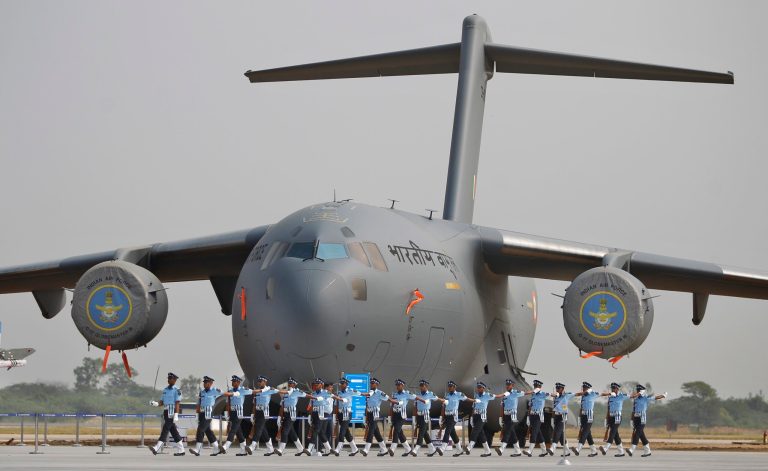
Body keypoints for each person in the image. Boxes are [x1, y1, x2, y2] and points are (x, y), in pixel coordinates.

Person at [455, 382, 504, 457]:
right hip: (476, 416)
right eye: (478, 387)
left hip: (482, 417)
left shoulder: (487, 395)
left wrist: (505, 394)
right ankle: (487, 451)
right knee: (482, 435)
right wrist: (471, 417)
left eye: (480, 387)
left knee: (475, 431)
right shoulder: (476, 395)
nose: (478, 389)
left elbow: (497, 396)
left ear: (483, 388)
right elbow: (473, 407)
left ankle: (469, 447)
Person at [190, 376, 236, 456]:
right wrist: (197, 414)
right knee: (208, 432)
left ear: (211, 383)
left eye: (207, 383)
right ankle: (216, 448)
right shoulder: (202, 392)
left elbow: (225, 393)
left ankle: (197, 449)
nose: (205, 384)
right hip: (201, 413)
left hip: (208, 414)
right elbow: (199, 403)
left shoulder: (215, 390)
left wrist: (234, 394)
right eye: (204, 383)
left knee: (200, 430)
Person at [148, 372, 185, 456]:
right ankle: (181, 450)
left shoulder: (177, 390)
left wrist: (176, 414)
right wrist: (155, 404)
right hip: (166, 411)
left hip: (172, 411)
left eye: (171, 378)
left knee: (165, 428)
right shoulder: (165, 390)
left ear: (175, 380)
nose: (169, 380)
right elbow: (161, 402)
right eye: (168, 378)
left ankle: (157, 447)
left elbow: (177, 403)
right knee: (173, 431)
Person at [271, 377, 308, 456]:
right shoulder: (285, 393)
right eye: (289, 383)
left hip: (292, 414)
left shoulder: (296, 392)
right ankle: (301, 449)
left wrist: (316, 398)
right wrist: (280, 417)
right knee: (292, 432)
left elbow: (307, 395)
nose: (290, 385)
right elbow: (282, 405)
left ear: (295, 385)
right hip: (286, 413)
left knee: (285, 431)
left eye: (291, 383)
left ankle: (281, 449)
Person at [628, 384, 667, 457]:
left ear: (642, 391)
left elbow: (655, 398)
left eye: (639, 391)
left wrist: (663, 395)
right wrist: (631, 420)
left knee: (637, 434)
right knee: (641, 436)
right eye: (637, 390)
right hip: (636, 418)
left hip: (642, 418)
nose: (637, 392)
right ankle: (647, 451)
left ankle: (632, 449)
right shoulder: (635, 399)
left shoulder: (645, 398)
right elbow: (633, 410)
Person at [245, 375, 280, 455]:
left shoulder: (269, 389)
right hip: (258, 412)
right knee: (263, 431)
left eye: (261, 381)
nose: (259, 383)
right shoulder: (257, 391)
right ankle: (271, 449)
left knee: (258, 429)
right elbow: (254, 404)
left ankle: (252, 447)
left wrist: (278, 390)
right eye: (258, 381)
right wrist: (252, 414)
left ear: (265, 382)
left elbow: (278, 391)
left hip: (264, 413)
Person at [220, 375, 252, 455]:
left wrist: (261, 391)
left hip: (239, 413)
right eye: (232, 381)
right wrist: (226, 413)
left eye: (234, 381)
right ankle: (243, 450)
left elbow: (252, 391)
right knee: (239, 432)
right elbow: (228, 403)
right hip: (233, 413)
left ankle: (225, 447)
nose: (232, 383)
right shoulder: (230, 391)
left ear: (238, 382)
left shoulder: (242, 390)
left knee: (233, 430)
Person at [301, 378, 333, 457]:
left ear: (321, 385)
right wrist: (309, 415)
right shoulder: (314, 393)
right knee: (321, 432)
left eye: (317, 384)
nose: (316, 385)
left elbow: (333, 396)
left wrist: (342, 399)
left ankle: (309, 448)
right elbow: (311, 405)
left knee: (316, 431)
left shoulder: (325, 393)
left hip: (322, 414)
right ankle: (329, 449)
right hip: (315, 413)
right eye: (315, 384)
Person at [360, 378, 390, 457]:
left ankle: (366, 449)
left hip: (375, 413)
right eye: (371, 383)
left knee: (371, 431)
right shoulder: (369, 392)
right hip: (369, 414)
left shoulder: (380, 393)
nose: (371, 384)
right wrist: (366, 417)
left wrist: (397, 402)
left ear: (377, 384)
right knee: (376, 433)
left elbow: (388, 398)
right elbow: (367, 405)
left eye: (373, 383)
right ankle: (384, 449)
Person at [570, 381, 601, 457]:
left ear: (588, 388)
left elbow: (601, 394)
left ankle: (578, 449)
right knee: (588, 434)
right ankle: (594, 451)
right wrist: (579, 417)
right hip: (583, 416)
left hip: (589, 415)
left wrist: (610, 393)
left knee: (584, 432)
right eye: (583, 387)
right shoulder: (583, 395)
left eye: (585, 387)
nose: (583, 389)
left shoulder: (593, 393)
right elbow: (581, 407)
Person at [523, 379, 552, 457]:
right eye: (535, 386)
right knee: (538, 433)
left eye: (537, 386)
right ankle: (544, 451)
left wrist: (558, 394)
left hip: (538, 416)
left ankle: (530, 450)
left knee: (534, 433)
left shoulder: (542, 394)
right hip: (532, 415)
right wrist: (528, 417)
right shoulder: (533, 396)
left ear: (540, 387)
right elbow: (530, 406)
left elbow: (551, 394)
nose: (535, 387)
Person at [600, 382, 630, 457]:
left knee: (612, 432)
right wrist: (606, 418)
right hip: (611, 417)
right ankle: (621, 452)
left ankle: (606, 448)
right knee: (616, 435)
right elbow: (608, 408)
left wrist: (639, 394)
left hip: (617, 417)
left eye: (614, 388)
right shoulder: (610, 397)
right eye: (612, 388)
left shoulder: (621, 396)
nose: (613, 390)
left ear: (617, 389)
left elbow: (631, 396)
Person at [413, 379, 441, 457]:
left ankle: (416, 449)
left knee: (421, 433)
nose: (421, 387)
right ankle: (432, 449)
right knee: (424, 433)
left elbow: (436, 398)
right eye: (420, 386)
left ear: (426, 386)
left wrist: (444, 401)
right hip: (419, 416)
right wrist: (414, 418)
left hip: (425, 416)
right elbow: (415, 406)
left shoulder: (430, 394)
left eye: (422, 386)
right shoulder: (417, 395)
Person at [496, 379, 525, 457]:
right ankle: (518, 451)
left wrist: (534, 391)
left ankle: (501, 449)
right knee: (512, 433)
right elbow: (502, 406)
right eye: (507, 385)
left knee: (508, 432)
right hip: (506, 416)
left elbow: (525, 393)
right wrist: (501, 417)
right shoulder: (505, 395)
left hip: (512, 415)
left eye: (509, 385)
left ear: (512, 385)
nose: (507, 386)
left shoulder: (515, 393)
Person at [388, 379, 416, 456]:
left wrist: (422, 401)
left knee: (396, 430)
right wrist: (390, 416)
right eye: (396, 385)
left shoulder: (407, 393)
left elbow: (415, 397)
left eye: (399, 385)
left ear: (402, 385)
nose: (397, 386)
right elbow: (391, 406)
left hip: (401, 415)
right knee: (400, 433)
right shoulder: (394, 394)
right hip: (395, 414)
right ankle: (408, 449)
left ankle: (392, 448)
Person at [334, 378, 361, 456]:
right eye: (340, 384)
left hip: (347, 413)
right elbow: (336, 404)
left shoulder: (350, 391)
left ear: (346, 384)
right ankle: (355, 449)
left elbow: (360, 393)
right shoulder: (338, 393)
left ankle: (338, 449)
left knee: (342, 431)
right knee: (346, 433)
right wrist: (335, 415)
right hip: (340, 414)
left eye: (342, 384)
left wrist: (369, 394)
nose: (341, 385)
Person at [437, 380, 466, 454]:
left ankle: (442, 448)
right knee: (453, 433)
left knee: (447, 431)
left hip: (453, 417)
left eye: (451, 386)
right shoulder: (446, 396)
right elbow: (443, 407)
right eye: (448, 387)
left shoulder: (459, 394)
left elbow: (466, 398)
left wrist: (474, 400)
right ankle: (459, 450)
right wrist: (441, 417)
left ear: (454, 387)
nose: (449, 388)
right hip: (447, 416)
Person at [551, 382, 574, 456]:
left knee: (557, 432)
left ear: (562, 389)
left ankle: (552, 448)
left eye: (559, 388)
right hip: (556, 416)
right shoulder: (556, 396)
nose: (557, 389)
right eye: (556, 388)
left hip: (563, 416)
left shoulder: (566, 395)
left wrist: (586, 392)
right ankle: (567, 451)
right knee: (561, 436)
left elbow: (577, 394)